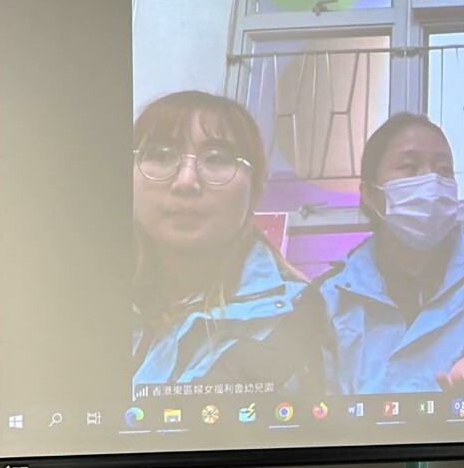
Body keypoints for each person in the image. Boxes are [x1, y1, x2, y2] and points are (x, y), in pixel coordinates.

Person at [314, 113, 464, 395]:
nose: (432, 182)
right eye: (409, 167)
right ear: (371, 194)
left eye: (444, 170)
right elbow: (314, 408)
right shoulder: (330, 297)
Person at [131, 91, 322, 392]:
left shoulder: (294, 317)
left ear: (255, 190)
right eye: (162, 155)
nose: (185, 182)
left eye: (216, 159)